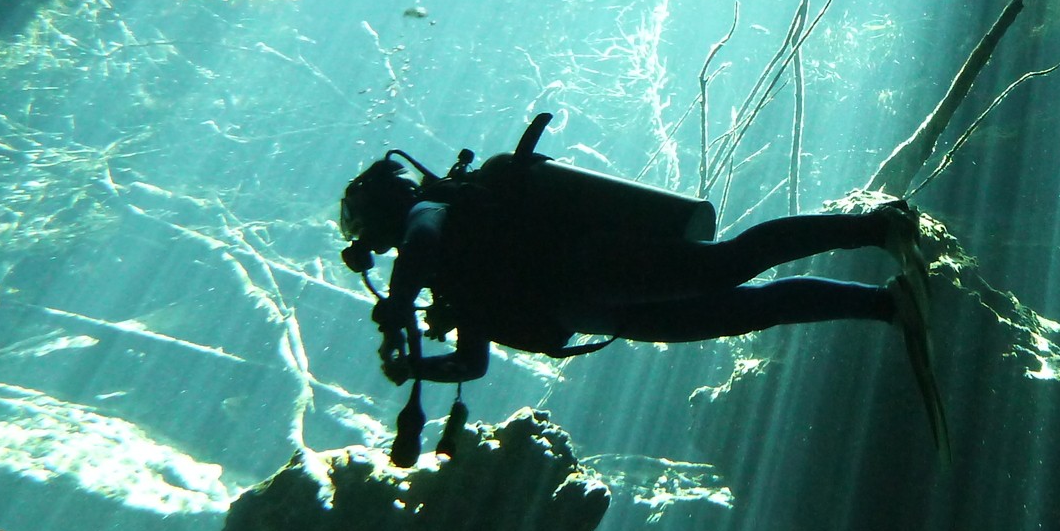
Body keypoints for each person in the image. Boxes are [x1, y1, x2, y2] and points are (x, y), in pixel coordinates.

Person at [337, 113, 944, 464]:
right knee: (743, 310)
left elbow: (418, 240)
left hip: (592, 266)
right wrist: (420, 365)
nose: (378, 247)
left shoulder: (434, 214)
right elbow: (473, 360)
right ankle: (888, 305)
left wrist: (396, 306)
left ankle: (877, 227)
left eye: (370, 234)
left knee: (724, 267)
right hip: (596, 310)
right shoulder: (452, 275)